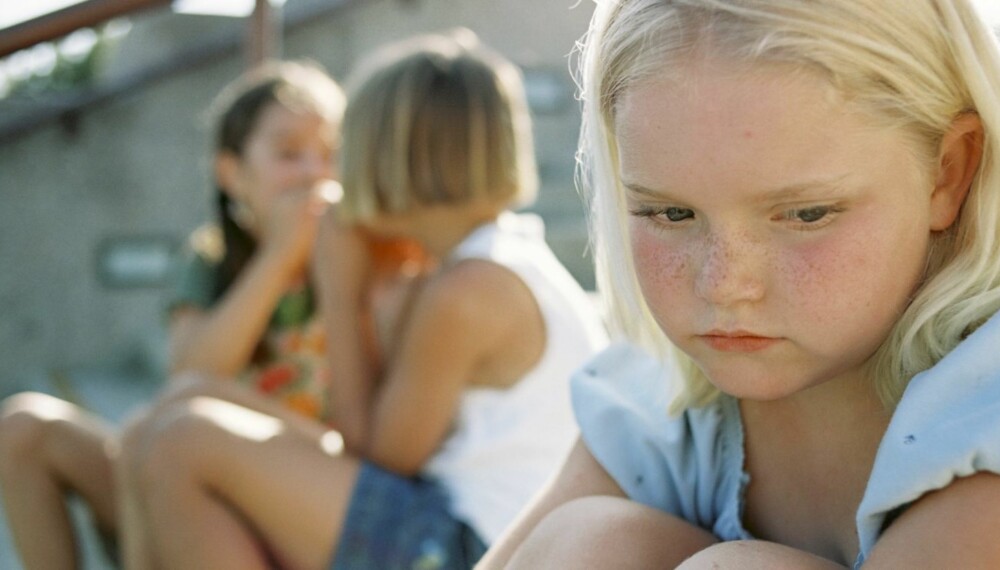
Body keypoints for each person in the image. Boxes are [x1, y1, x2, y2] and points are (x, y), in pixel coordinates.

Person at [477, 1, 1000, 569]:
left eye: (806, 215)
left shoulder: (983, 419)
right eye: (670, 214)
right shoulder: (667, 407)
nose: (724, 285)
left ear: (948, 172)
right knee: (589, 545)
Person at [115, 29, 609, 570]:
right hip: (457, 522)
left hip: (482, 546)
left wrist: (340, 289)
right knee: (172, 414)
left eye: (344, 150)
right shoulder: (480, 258)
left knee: (181, 444)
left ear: (394, 161)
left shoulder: (469, 290)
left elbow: (375, 456)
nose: (334, 174)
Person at [0, 59, 389, 569]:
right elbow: (192, 369)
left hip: (298, 487)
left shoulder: (367, 256)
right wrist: (278, 258)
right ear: (232, 173)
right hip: (191, 470)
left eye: (331, 155)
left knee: (171, 428)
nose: (315, 172)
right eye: (290, 154)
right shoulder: (212, 258)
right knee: (24, 426)